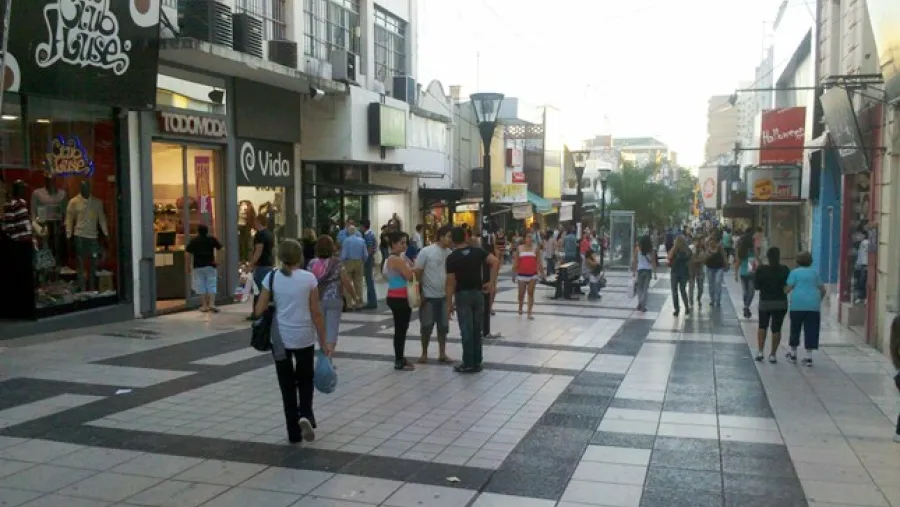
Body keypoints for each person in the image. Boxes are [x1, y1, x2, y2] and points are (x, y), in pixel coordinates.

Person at [253, 239, 330, 444]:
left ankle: (293, 433)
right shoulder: (308, 279)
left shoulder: (271, 278)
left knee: (286, 386)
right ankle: (305, 413)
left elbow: (258, 310)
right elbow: (316, 313)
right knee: (305, 379)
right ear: (300, 257)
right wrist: (324, 341)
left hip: (280, 339)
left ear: (280, 256)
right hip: (304, 336)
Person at [446, 226, 499, 373]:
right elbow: (495, 261)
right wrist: (492, 282)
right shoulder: (478, 251)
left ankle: (468, 362)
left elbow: (450, 283)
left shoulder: (452, 258)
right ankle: (477, 361)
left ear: (453, 240)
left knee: (466, 330)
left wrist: (449, 304)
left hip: (462, 295)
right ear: (465, 237)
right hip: (478, 294)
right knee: (477, 329)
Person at [309, 235, 357, 353]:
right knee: (332, 328)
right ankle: (328, 357)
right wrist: (354, 295)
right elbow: (345, 281)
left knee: (321, 329)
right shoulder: (337, 263)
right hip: (335, 298)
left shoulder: (312, 263)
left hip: (317, 299)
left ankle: (324, 355)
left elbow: (308, 283)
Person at [414, 225, 453, 364]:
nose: (450, 239)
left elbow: (451, 278)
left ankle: (442, 353)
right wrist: (420, 293)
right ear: (441, 236)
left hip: (443, 297)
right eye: (448, 236)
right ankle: (424, 353)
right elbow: (417, 273)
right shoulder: (426, 251)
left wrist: (450, 300)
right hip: (428, 297)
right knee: (426, 326)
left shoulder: (449, 254)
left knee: (443, 327)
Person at [785, 251, 826, 366]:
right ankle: (809, 357)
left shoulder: (794, 273)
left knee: (795, 329)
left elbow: (788, 288)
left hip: (797, 305)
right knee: (811, 330)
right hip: (813, 306)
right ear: (810, 261)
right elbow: (823, 290)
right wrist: (818, 300)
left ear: (797, 261)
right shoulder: (815, 273)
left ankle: (793, 354)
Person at [383, 231, 416, 371]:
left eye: (405, 242)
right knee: (401, 330)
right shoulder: (397, 260)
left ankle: (400, 357)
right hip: (400, 298)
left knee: (401, 329)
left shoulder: (395, 258)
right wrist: (414, 269)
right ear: (393, 244)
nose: (405, 245)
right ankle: (399, 360)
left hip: (394, 296)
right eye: (402, 243)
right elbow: (409, 276)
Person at [753, 247, 790, 363]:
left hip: (765, 302)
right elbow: (788, 286)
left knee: (762, 326)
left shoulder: (761, 270)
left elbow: (756, 287)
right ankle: (773, 354)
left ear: (767, 257)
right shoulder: (784, 269)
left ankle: (760, 351)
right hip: (780, 302)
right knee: (776, 328)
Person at [185, 224, 223, 313]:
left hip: (198, 266)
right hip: (210, 265)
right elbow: (221, 249)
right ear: (207, 231)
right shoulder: (211, 239)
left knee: (201, 285)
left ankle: (204, 306)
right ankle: (212, 304)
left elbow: (187, 253)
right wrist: (219, 260)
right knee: (212, 284)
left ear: (198, 231)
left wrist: (187, 266)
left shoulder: (194, 241)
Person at [247, 215, 275, 320]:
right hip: (269, 264)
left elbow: (258, 250)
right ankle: (264, 311)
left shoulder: (260, 235)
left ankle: (257, 312)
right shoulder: (269, 234)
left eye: (255, 222)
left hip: (261, 265)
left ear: (258, 222)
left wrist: (251, 264)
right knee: (266, 289)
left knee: (258, 290)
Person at [513, 230, 544, 319]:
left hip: (532, 274)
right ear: (524, 238)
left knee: (530, 293)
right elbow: (516, 262)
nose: (530, 239)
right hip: (521, 275)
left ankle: (529, 312)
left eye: (531, 237)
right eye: (528, 237)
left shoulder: (535, 248)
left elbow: (539, 261)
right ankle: (520, 307)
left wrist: (542, 273)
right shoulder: (520, 248)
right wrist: (513, 273)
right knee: (521, 294)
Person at [339, 225, 367, 310]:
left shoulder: (346, 241)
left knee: (347, 282)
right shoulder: (362, 240)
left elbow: (344, 254)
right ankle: (359, 303)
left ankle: (349, 303)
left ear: (349, 232)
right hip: (359, 261)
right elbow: (365, 254)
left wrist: (342, 262)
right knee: (358, 283)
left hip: (349, 262)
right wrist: (363, 261)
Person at [631, 235, 656, 312]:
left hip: (640, 270)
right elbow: (653, 262)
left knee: (639, 288)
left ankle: (640, 302)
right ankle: (643, 306)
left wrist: (634, 271)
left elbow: (635, 261)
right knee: (645, 289)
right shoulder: (651, 250)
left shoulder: (637, 249)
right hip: (648, 271)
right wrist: (655, 273)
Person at [734, 231, 757, 318]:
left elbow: (737, 263)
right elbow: (755, 260)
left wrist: (736, 274)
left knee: (746, 291)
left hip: (743, 273)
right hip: (750, 272)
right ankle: (746, 307)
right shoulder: (751, 251)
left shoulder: (741, 251)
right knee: (751, 292)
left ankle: (746, 307)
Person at [668, 235, 691, 316]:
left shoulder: (675, 250)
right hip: (683, 272)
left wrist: (674, 248)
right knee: (682, 290)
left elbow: (669, 257)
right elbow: (689, 261)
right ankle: (686, 307)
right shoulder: (687, 250)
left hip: (675, 272)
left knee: (675, 291)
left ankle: (677, 309)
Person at [360, 219, 379, 309]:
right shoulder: (371, 233)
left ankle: (371, 302)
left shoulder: (367, 235)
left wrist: (365, 259)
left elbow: (370, 248)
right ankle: (371, 300)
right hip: (370, 258)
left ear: (363, 226)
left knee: (369, 280)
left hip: (368, 259)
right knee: (369, 280)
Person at [705, 237, 727, 307]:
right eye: (710, 242)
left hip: (719, 268)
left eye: (713, 242)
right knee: (711, 284)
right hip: (710, 268)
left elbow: (724, 256)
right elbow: (705, 259)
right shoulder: (707, 249)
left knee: (718, 283)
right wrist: (707, 253)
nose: (711, 244)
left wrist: (726, 264)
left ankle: (718, 300)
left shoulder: (720, 248)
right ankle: (712, 300)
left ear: (715, 242)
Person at [689, 236, 708, 308]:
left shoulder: (703, 249)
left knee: (701, 288)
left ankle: (698, 298)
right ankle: (690, 301)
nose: (699, 242)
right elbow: (692, 260)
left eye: (701, 241)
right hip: (691, 271)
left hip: (700, 271)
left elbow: (705, 259)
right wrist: (700, 259)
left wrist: (699, 259)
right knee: (691, 287)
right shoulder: (691, 248)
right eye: (697, 241)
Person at [854, 230, 869, 304]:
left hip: (865, 264)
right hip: (864, 264)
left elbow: (861, 254)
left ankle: (863, 297)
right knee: (863, 281)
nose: (857, 236)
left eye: (859, 235)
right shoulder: (863, 243)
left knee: (863, 281)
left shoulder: (865, 242)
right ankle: (863, 297)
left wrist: (858, 263)